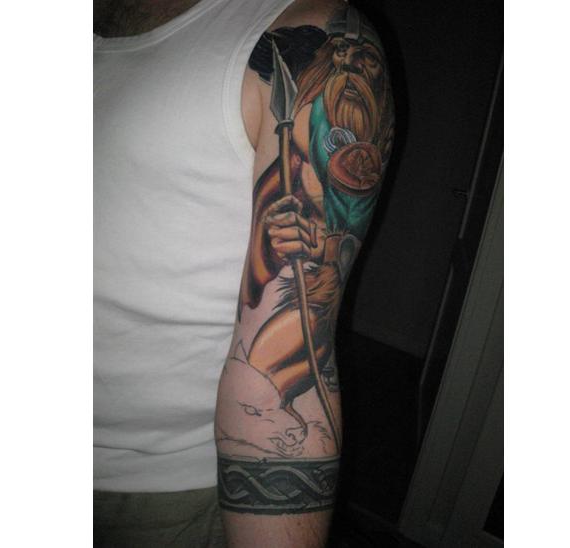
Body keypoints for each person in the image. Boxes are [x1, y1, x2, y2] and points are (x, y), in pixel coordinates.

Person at [94, 0, 393, 546]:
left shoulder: (305, 32)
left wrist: (313, 238)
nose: (354, 67)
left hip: (154, 490)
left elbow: (301, 339)